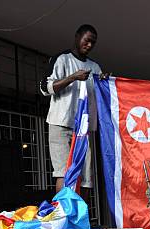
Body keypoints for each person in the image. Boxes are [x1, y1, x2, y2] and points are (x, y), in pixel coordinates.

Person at [40, 24, 108, 194]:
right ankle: (63, 217)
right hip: (60, 124)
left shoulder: (95, 67)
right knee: (63, 172)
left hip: (84, 129)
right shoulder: (61, 59)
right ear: (77, 37)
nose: (89, 45)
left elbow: (102, 96)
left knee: (86, 176)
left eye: (93, 43)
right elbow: (44, 88)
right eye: (87, 40)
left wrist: (105, 82)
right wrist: (72, 77)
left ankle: (80, 219)